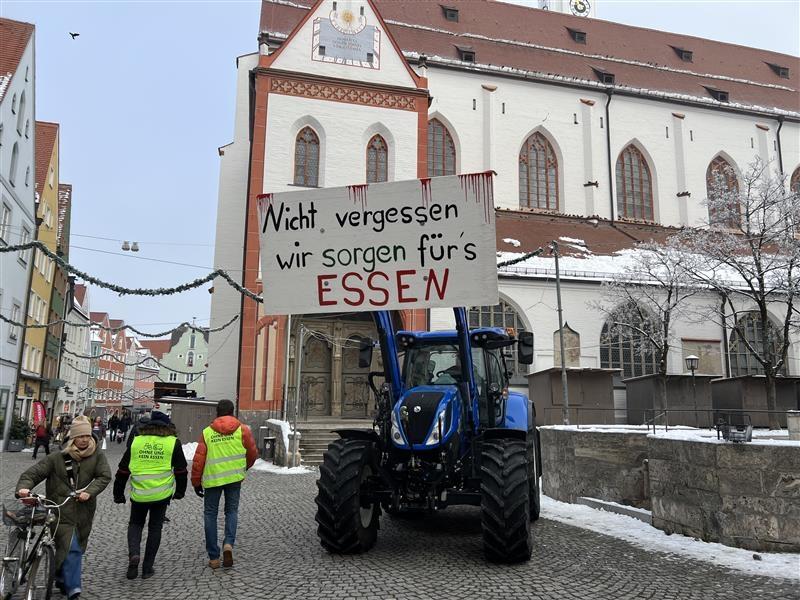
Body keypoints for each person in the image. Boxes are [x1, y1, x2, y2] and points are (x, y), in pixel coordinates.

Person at [16, 416, 111, 600]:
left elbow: (104, 476)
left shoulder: (97, 455)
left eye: (87, 435)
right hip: (59, 511)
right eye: (80, 435)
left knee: (75, 547)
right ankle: (74, 588)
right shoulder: (57, 457)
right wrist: (24, 488)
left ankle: (60, 575)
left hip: (84, 511)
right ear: (73, 437)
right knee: (71, 547)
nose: (84, 439)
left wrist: (89, 492)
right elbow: (33, 473)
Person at [113, 410, 187, 580]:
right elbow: (181, 470)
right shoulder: (172, 443)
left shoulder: (137, 442)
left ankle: (134, 555)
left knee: (136, 524)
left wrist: (118, 493)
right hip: (161, 494)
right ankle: (147, 568)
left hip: (139, 493)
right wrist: (180, 491)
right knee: (155, 528)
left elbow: (123, 469)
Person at [191, 399, 257, 569]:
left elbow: (199, 460)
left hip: (213, 479)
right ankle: (228, 543)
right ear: (233, 411)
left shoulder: (207, 432)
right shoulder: (243, 430)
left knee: (210, 515)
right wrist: (244, 468)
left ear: (217, 412)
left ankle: (214, 557)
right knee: (231, 511)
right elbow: (252, 453)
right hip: (234, 478)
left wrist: (196, 482)